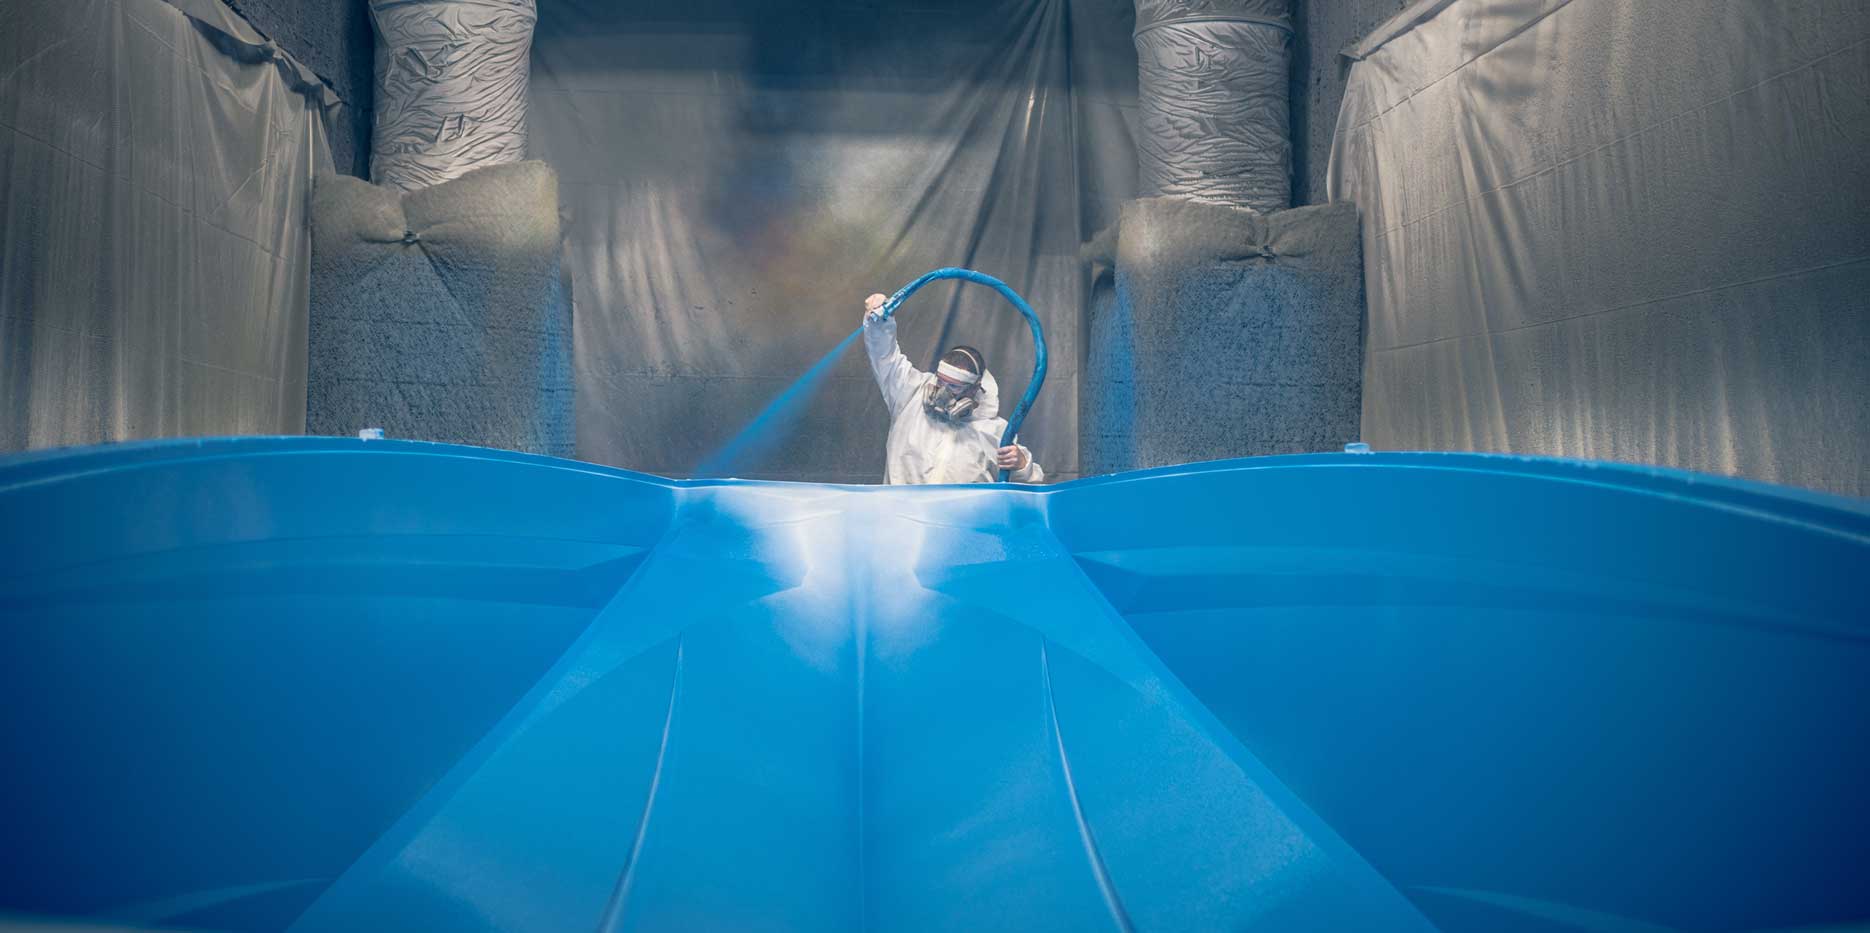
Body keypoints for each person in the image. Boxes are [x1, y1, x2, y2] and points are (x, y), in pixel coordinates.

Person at [862, 293, 1045, 485]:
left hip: (960, 516)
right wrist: (879, 321)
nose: (942, 392)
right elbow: (885, 356)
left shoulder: (994, 431)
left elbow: (1033, 483)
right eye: (940, 382)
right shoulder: (910, 394)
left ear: (974, 389)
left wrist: (1022, 464)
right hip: (902, 513)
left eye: (954, 387)